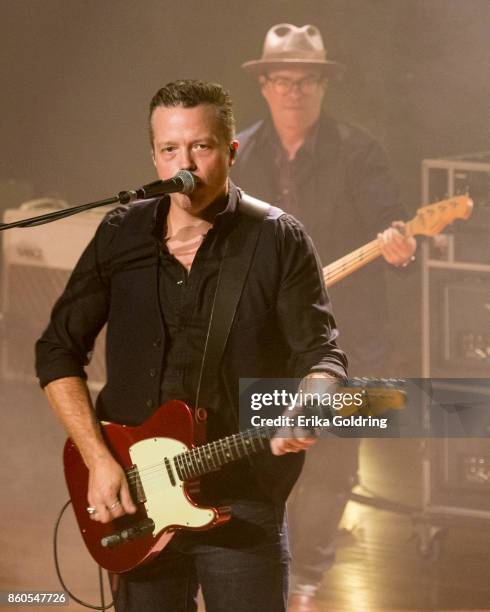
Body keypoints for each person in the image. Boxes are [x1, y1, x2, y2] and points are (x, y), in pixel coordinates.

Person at [35, 79, 348, 612]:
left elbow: (322, 354)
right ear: (153, 156)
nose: (186, 164)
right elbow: (57, 351)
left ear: (230, 150)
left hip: (242, 498)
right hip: (138, 497)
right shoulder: (121, 233)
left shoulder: (277, 238)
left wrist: (313, 399)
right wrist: (99, 460)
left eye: (200, 147)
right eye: (169, 149)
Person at [232, 24, 416, 612]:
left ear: (322, 85)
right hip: (267, 342)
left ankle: (306, 584)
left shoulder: (358, 151)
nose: (294, 91)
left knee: (335, 459)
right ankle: (268, 574)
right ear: (263, 85)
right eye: (281, 79)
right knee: (264, 457)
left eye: (306, 79)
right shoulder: (239, 152)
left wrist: (401, 243)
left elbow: (394, 223)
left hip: (352, 341)